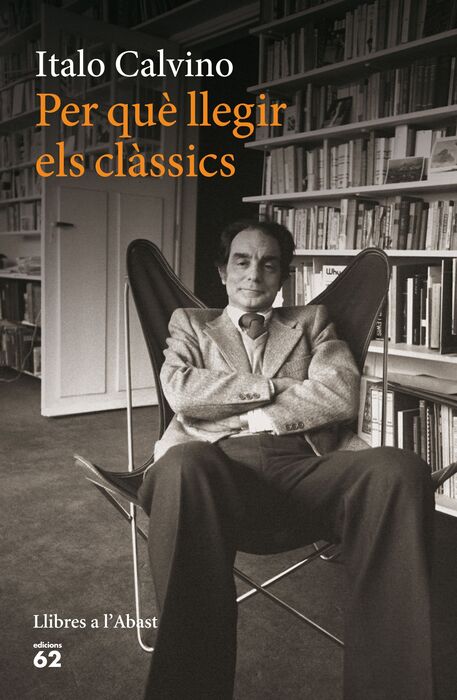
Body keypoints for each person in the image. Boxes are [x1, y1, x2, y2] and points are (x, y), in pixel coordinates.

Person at [93, 220, 455, 699]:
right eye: (242, 261)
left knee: (399, 469)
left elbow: (339, 394)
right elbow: (182, 392)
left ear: (283, 276)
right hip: (213, 467)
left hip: (307, 465)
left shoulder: (313, 321)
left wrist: (241, 410)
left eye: (268, 264)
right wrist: (274, 389)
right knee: (182, 467)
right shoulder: (190, 324)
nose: (253, 274)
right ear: (222, 271)